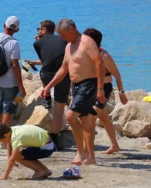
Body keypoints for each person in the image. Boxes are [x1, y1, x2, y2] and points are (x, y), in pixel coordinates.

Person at [41, 19, 105, 166]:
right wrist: (48, 86)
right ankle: (91, 157)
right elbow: (63, 69)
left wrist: (100, 89)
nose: (62, 38)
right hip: (75, 86)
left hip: (89, 84)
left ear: (71, 29)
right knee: (85, 121)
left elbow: (99, 63)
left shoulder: (86, 41)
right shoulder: (69, 46)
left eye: (63, 34)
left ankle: (80, 151)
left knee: (70, 115)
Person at [83, 28, 128, 155]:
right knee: (103, 117)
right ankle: (115, 145)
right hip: (89, 88)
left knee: (90, 117)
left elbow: (117, 75)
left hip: (104, 88)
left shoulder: (104, 55)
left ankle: (86, 151)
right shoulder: (84, 53)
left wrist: (121, 93)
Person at [33, 20, 68, 149]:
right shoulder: (64, 40)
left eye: (39, 29)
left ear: (44, 30)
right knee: (59, 109)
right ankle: (54, 137)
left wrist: (39, 41)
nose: (37, 31)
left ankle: (46, 96)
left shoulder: (37, 43)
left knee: (45, 74)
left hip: (47, 76)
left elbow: (45, 60)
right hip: (63, 76)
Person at [0, 16, 26, 135]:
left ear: (4, 25)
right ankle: (3, 139)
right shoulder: (13, 43)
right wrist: (21, 86)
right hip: (10, 83)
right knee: (9, 111)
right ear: (17, 30)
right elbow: (15, 66)